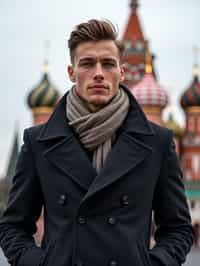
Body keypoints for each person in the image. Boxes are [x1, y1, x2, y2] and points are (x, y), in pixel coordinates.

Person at [0, 19, 194, 266]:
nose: (99, 73)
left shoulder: (157, 143)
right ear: (72, 73)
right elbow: (13, 227)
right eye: (88, 64)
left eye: (108, 64)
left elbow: (178, 229)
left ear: (122, 72)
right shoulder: (39, 143)